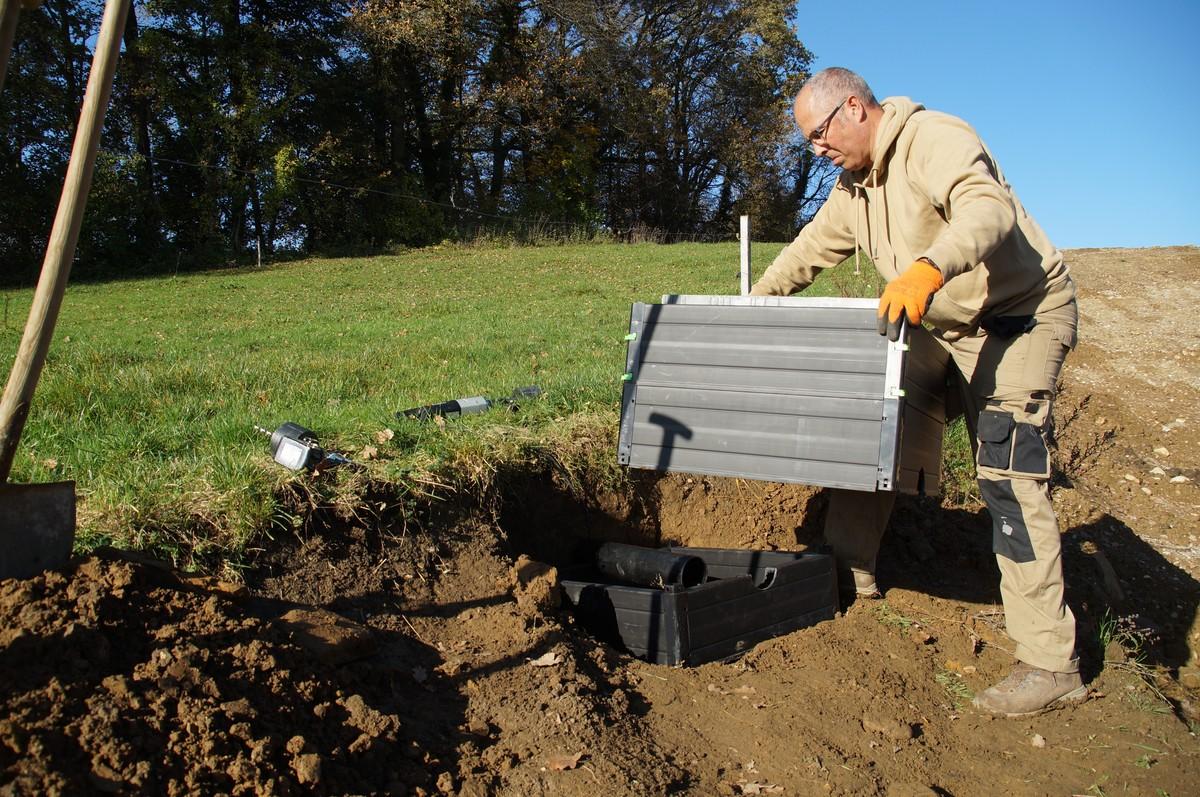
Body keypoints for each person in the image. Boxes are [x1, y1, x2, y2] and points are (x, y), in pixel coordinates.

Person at [750, 67, 1085, 718]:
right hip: (946, 324)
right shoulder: (854, 190)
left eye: (819, 134)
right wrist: (750, 312)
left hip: (1021, 316)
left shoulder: (932, 137)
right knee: (869, 410)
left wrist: (930, 267)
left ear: (854, 107)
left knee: (1007, 468)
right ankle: (848, 566)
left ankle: (1050, 661)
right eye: (809, 142)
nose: (816, 149)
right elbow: (807, 251)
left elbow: (988, 210)